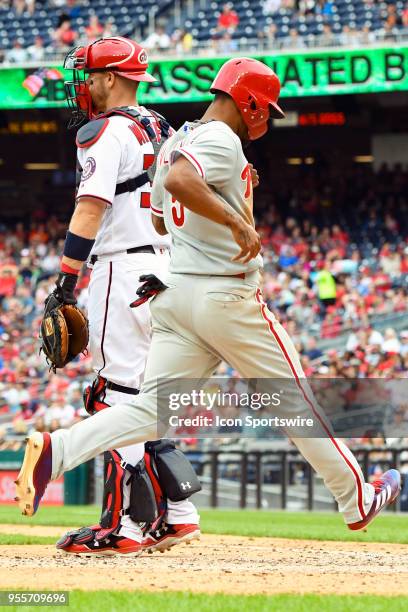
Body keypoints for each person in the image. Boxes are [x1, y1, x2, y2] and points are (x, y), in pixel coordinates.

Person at [16, 57, 401, 533]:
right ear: (251, 101)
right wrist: (236, 218)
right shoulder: (219, 137)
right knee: (295, 398)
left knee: (147, 413)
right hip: (226, 298)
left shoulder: (180, 138)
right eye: (267, 107)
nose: (269, 116)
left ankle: (57, 453)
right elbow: (181, 182)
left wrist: (228, 195)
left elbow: (160, 214)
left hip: (178, 297)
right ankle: (357, 496)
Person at [23, 36, 200, 556]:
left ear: (111, 78)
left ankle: (122, 527)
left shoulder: (105, 131)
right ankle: (179, 515)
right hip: (166, 267)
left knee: (113, 397)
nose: (82, 84)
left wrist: (66, 281)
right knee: (145, 399)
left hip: (123, 268)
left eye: (89, 75)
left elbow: (90, 209)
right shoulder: (162, 126)